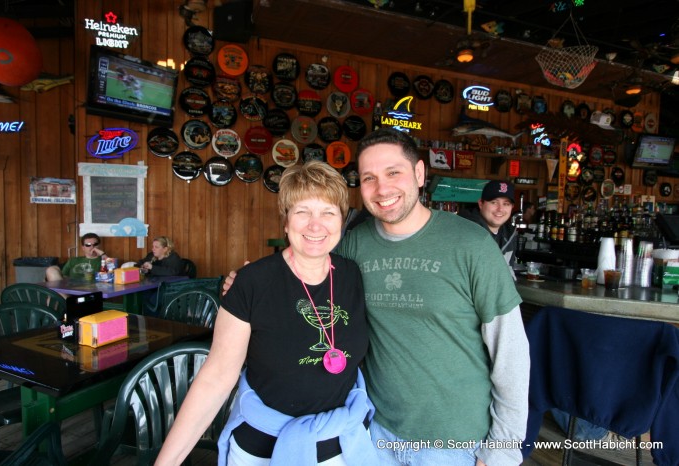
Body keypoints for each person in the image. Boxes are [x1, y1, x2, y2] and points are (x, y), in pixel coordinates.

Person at [224, 129, 530, 466]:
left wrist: (503, 447)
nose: (382, 188)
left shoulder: (471, 244)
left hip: (454, 442)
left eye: (393, 173)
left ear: (419, 174)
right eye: (369, 177)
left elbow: (511, 351)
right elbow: (304, 261)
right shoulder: (354, 245)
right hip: (373, 436)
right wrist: (245, 282)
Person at [155, 162, 377, 466]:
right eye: (302, 212)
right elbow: (216, 378)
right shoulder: (252, 282)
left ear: (342, 219)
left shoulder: (352, 275)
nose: (316, 225)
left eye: (328, 212)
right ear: (285, 221)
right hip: (261, 449)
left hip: (343, 447)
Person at [459, 180, 519, 270]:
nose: (500, 209)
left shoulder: (509, 233)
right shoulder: (465, 231)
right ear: (481, 204)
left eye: (506, 204)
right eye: (494, 202)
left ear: (512, 207)